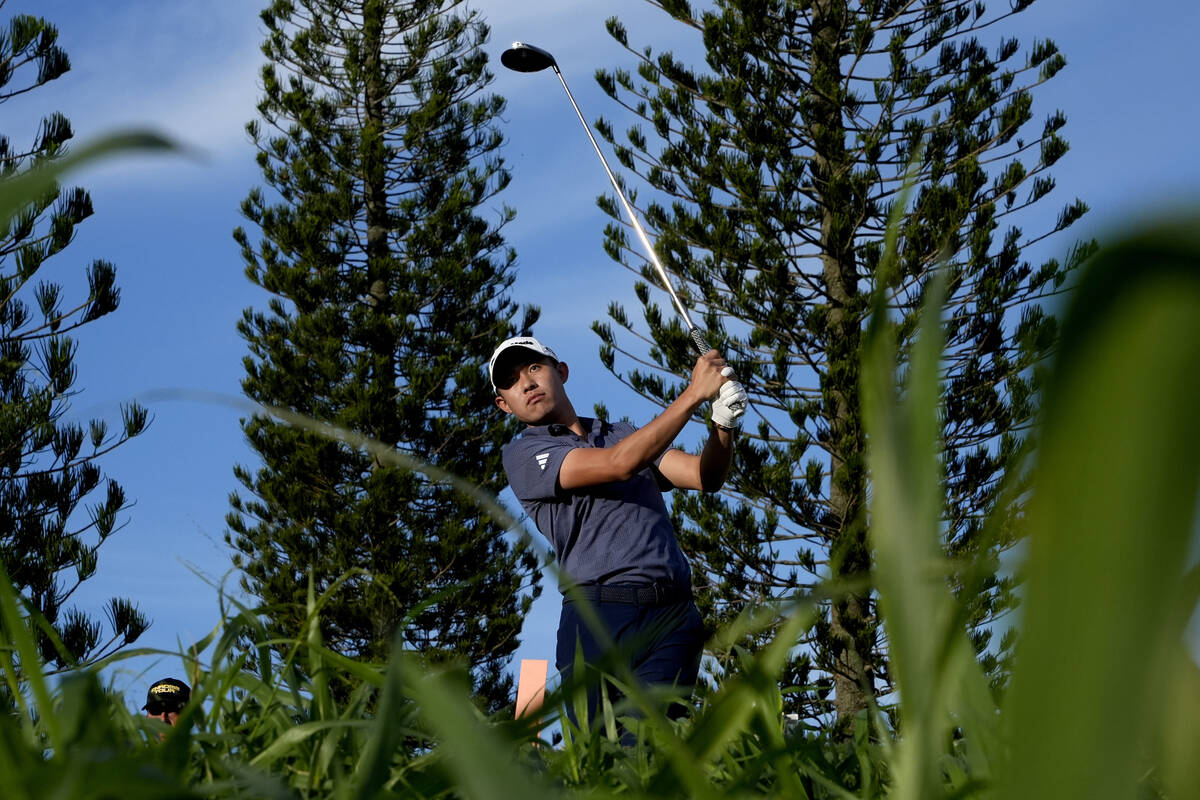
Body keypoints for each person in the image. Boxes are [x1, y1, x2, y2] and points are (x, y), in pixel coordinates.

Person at [490, 335, 747, 730]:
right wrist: (695, 393)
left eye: (534, 367)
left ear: (561, 372)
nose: (526, 382)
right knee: (604, 765)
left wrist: (723, 425)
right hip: (597, 619)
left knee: (655, 751)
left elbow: (703, 476)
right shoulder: (524, 455)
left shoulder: (622, 432)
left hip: (672, 617)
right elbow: (619, 464)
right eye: (511, 380)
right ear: (504, 404)